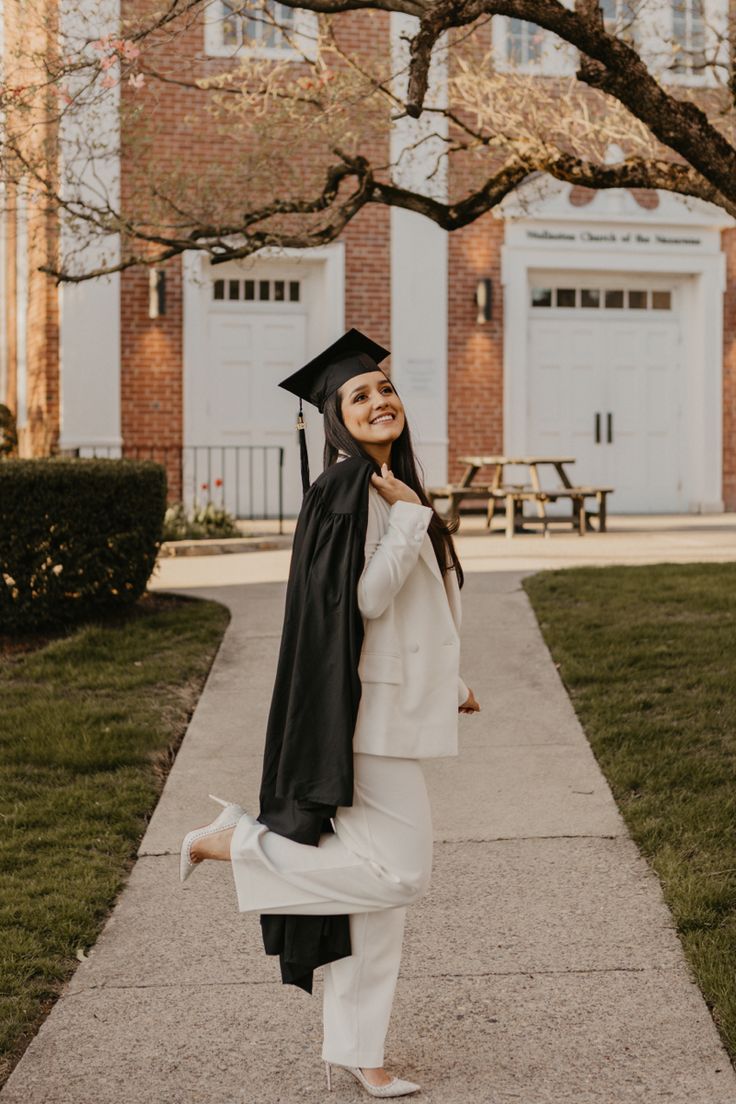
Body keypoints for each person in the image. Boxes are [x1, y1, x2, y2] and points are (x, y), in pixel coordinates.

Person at [180, 328, 480, 1099]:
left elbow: (405, 609)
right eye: (359, 396)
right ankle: (236, 844)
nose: (379, 402)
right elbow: (365, 600)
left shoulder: (378, 483)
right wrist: (412, 517)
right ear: (335, 417)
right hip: (369, 723)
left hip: (389, 710)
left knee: (370, 906)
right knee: (401, 876)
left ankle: (358, 1051)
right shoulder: (359, 487)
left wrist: (451, 680)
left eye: (383, 389)